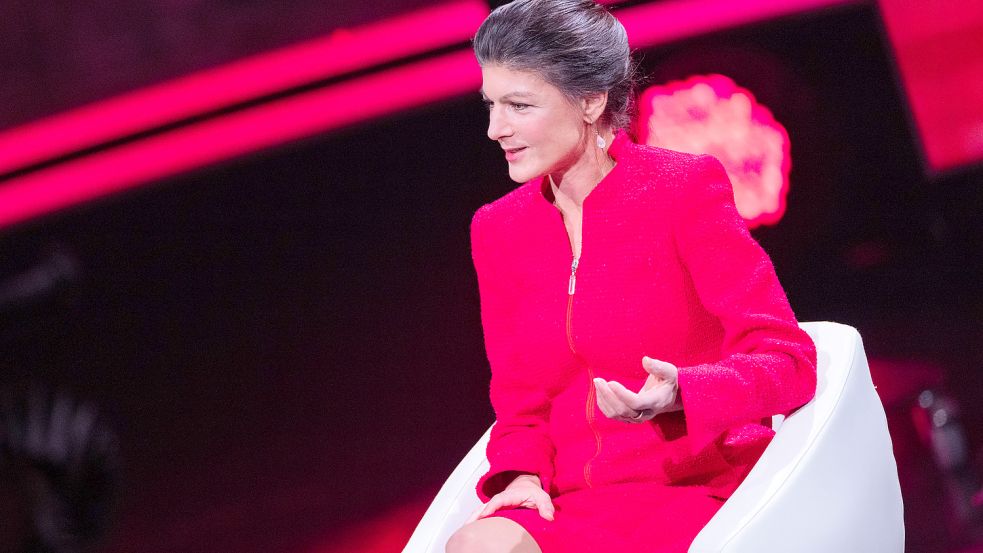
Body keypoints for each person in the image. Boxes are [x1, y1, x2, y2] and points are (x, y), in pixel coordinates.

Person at [446, 1, 817, 551]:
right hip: (573, 499)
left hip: (697, 487)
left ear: (592, 101)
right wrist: (521, 475)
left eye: (519, 106)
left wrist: (684, 393)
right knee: (476, 546)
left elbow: (789, 361)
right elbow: (519, 403)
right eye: (491, 105)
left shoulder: (681, 190)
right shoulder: (498, 230)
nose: (496, 129)